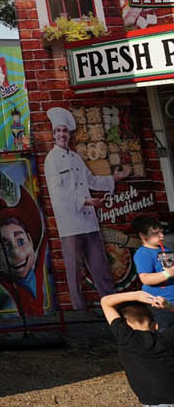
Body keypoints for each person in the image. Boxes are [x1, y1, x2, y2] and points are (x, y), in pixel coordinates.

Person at [43, 106, 129, 308]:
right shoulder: (51, 160)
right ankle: (79, 311)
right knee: (74, 271)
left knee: (101, 267)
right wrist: (83, 201)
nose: (62, 135)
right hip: (70, 225)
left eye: (65, 131)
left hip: (89, 221)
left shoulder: (75, 158)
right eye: (58, 131)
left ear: (68, 134)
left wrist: (113, 179)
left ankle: (112, 307)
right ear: (54, 134)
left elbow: (90, 180)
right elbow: (57, 193)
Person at [102, 288, 174, 407]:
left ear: (124, 325)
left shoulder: (126, 339)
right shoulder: (168, 339)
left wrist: (136, 295)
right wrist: (168, 306)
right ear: (155, 326)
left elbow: (105, 301)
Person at [0, 187, 51, 318]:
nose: (17, 253)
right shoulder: (10, 285)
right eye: (5, 247)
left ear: (29, 239)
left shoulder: (38, 273)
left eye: (20, 241)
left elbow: (41, 254)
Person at [134, 216, 174, 331]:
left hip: (171, 300)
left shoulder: (165, 250)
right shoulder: (143, 254)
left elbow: (170, 269)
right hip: (159, 303)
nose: (162, 236)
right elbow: (145, 279)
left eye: (162, 232)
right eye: (156, 233)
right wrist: (167, 274)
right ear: (142, 235)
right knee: (165, 331)